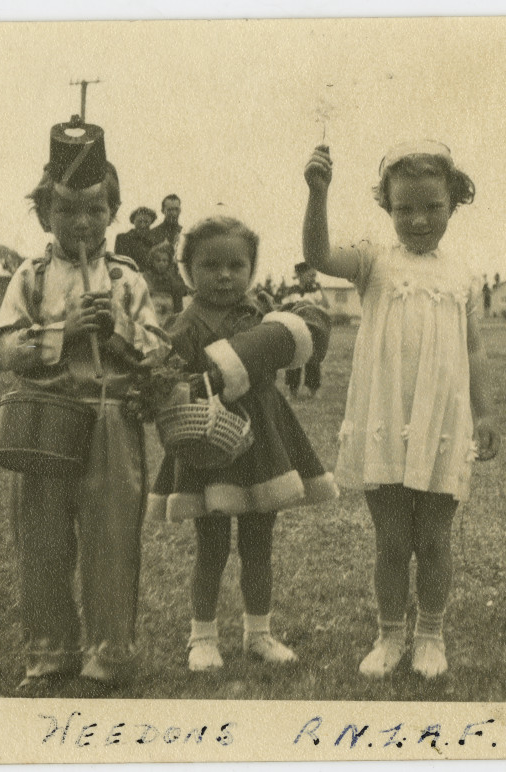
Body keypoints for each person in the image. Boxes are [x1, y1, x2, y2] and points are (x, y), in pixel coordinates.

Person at [302, 141, 500, 679]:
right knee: (391, 540)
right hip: (385, 420)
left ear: (453, 204)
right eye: (404, 208)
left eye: (432, 206)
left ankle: (431, 635)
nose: (417, 219)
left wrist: (484, 413)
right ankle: (390, 635)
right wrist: (318, 193)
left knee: (434, 539)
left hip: (442, 424)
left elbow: (475, 347)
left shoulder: (461, 274)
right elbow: (319, 255)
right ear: (386, 208)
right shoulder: (373, 262)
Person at [0, 118, 169, 693]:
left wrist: (118, 330)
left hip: (113, 419)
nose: (82, 222)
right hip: (45, 419)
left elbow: (158, 352)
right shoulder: (31, 275)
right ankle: (49, 655)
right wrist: (61, 333)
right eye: (68, 210)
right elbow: (1, 348)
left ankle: (109, 657)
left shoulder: (126, 279)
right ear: (46, 215)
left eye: (95, 209)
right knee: (41, 538)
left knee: (112, 541)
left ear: (113, 213)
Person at [147, 216, 337, 671]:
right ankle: (202, 638)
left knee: (259, 540)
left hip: (264, 442)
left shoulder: (262, 312)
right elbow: (165, 382)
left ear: (252, 267)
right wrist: (189, 382)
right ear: (188, 269)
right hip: (208, 445)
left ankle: (259, 633)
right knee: (211, 543)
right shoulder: (186, 323)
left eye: (237, 264)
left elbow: (306, 329)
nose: (225, 275)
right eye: (210, 265)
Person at [280, 261, 330, 399]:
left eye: (314, 276)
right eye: (310, 275)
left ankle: (312, 390)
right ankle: (293, 391)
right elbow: (283, 307)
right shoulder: (292, 291)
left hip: (312, 329)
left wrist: (321, 289)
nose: (313, 278)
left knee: (313, 359)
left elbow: (326, 305)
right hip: (295, 328)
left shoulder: (314, 291)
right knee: (294, 359)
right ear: (300, 275)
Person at [142, 240, 188, 325]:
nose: (161, 263)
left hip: (167, 320)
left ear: (169, 262)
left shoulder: (173, 282)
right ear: (152, 261)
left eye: (164, 260)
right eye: (158, 260)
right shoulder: (145, 278)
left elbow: (178, 308)